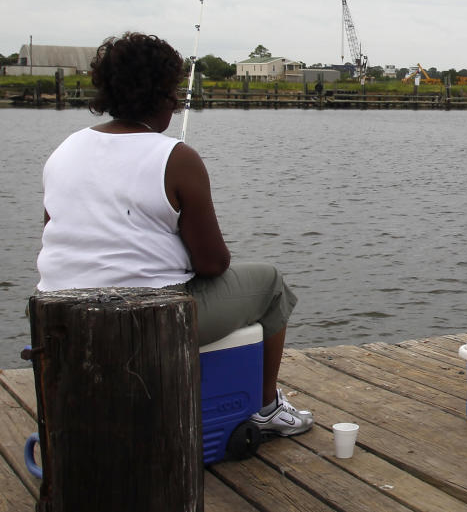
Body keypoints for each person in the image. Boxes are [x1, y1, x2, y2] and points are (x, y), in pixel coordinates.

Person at [36, 32, 313, 437]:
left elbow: (57, 234)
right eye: (175, 91)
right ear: (163, 95)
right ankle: (267, 406)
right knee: (271, 284)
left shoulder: (63, 150)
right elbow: (213, 263)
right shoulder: (177, 157)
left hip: (60, 316)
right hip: (147, 321)